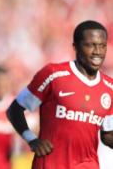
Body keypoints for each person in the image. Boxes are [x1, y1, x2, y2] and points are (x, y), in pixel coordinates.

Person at [7, 20, 113, 169]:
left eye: (102, 46)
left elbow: (107, 135)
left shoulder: (109, 87)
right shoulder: (53, 75)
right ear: (75, 47)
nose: (97, 52)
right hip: (50, 164)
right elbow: (15, 109)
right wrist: (31, 139)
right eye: (90, 45)